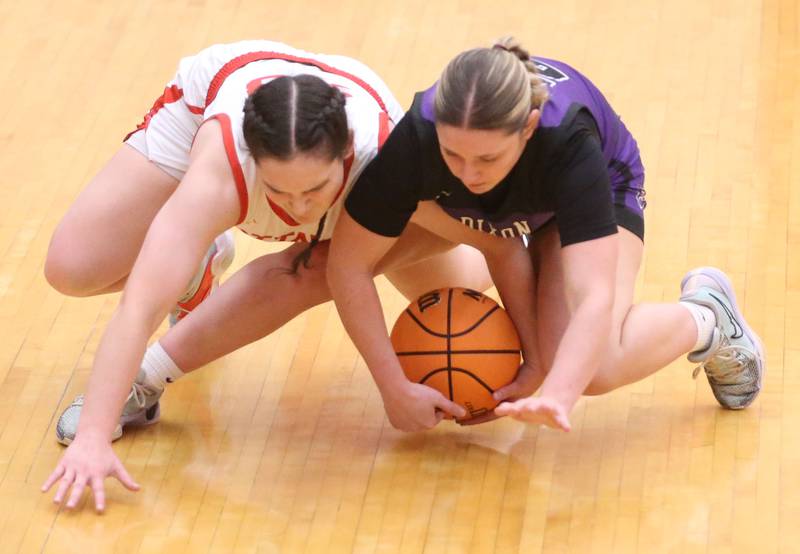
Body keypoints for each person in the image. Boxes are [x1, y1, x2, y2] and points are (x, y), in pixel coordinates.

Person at [41, 40, 490, 512]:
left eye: (315, 190)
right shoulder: (217, 171)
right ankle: (189, 275)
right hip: (212, 99)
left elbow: (485, 239)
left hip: (361, 170)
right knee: (72, 268)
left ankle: (161, 338)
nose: (299, 210)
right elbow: (139, 308)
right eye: (280, 191)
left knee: (450, 289)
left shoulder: (388, 161)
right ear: (252, 159)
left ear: (345, 155)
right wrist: (93, 435)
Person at [327, 37, 764, 433]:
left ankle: (708, 318)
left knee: (594, 367)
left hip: (598, 188)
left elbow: (593, 295)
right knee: (429, 280)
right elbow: (347, 266)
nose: (468, 173)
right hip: (514, 202)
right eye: (451, 154)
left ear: (529, 126)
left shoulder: (567, 144)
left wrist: (557, 391)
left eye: (487, 157)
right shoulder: (416, 138)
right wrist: (392, 387)